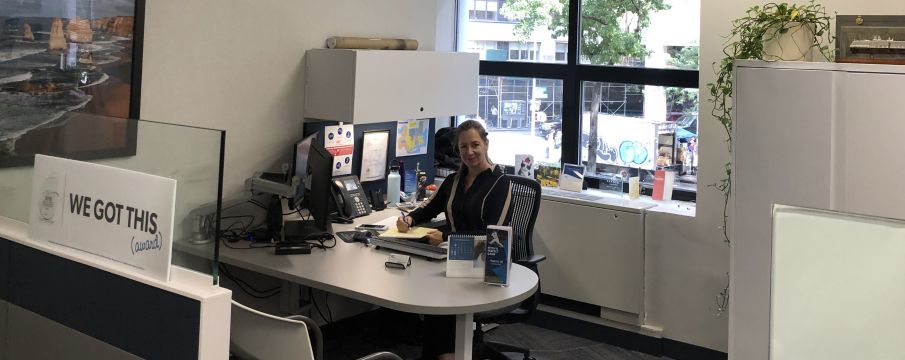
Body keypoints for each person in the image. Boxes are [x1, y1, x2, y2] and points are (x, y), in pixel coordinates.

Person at [396, 119, 512, 360]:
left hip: (483, 264)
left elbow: (493, 237)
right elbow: (429, 208)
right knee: (430, 295)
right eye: (463, 147)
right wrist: (409, 220)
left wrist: (446, 236)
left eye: (475, 145)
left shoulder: (500, 183)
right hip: (451, 260)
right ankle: (441, 354)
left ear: (486, 144)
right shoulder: (454, 180)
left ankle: (449, 355)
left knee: (444, 301)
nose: (469, 152)